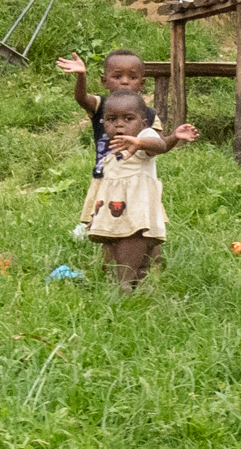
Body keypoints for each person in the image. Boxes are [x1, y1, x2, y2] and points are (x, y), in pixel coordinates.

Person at [56, 49, 199, 223]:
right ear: (104, 81)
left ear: (142, 83)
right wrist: (81, 76)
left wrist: (174, 137)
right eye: (117, 76)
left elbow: (159, 146)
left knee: (139, 223)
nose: (125, 81)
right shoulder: (101, 106)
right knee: (102, 224)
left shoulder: (148, 115)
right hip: (106, 178)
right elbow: (82, 99)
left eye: (132, 77)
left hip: (136, 182)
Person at [88, 90, 168, 293]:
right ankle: (135, 285)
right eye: (111, 119)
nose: (119, 125)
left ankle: (124, 283)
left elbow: (160, 145)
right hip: (114, 209)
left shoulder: (144, 137)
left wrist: (139, 143)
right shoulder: (111, 149)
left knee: (133, 240)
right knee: (112, 243)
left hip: (136, 208)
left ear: (143, 123)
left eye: (128, 119)